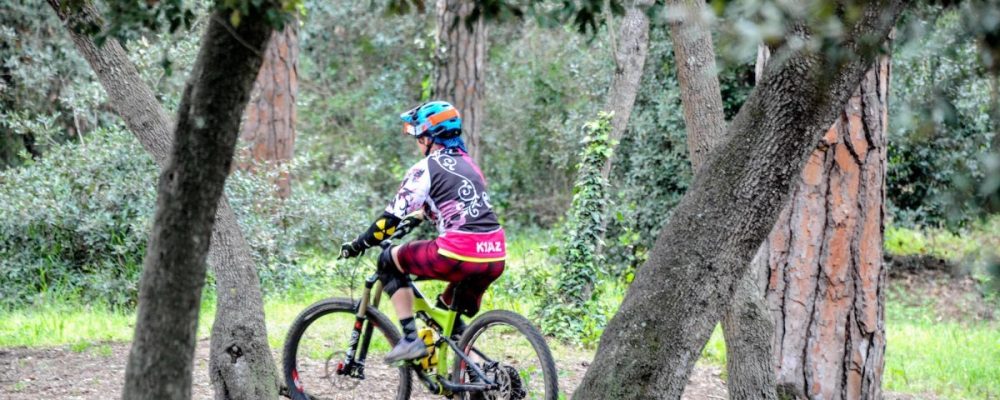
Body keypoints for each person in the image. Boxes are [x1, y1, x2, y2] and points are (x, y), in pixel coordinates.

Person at [340, 101, 506, 364]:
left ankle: (409, 339)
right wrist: (417, 218)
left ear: (430, 137)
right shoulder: (470, 165)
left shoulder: (425, 167)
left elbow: (388, 222)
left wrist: (358, 244)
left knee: (388, 260)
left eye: (417, 134)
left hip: (457, 253)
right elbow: (456, 206)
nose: (416, 140)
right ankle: (481, 373)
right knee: (445, 319)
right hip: (495, 256)